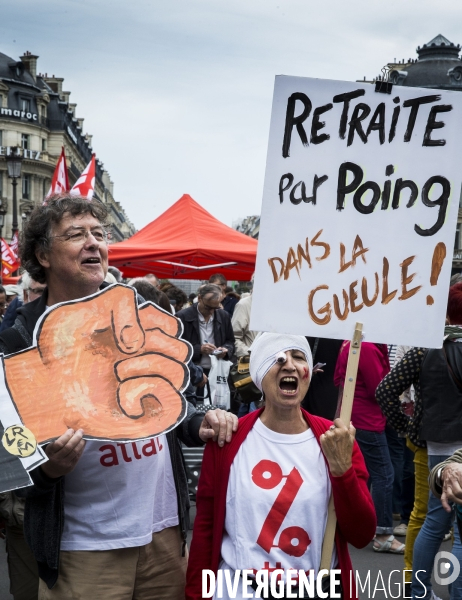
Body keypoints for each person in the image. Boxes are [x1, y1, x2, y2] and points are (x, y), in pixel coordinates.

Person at [0, 194, 237, 599]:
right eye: (76, 234)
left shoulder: (137, 314)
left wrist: (202, 419)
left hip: (162, 536)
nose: (94, 243)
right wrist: (46, 468)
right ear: (43, 254)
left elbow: (175, 397)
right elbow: (9, 451)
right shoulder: (17, 341)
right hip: (81, 549)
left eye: (99, 233)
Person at [185, 333, 376, 600]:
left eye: (299, 357)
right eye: (277, 358)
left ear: (308, 372)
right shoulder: (228, 440)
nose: (290, 366)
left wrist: (342, 470)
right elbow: (205, 527)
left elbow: (362, 534)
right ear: (259, 374)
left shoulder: (336, 441)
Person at [377, 283, 462, 600]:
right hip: (455, 452)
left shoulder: (425, 348)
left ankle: (419, 592)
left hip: (434, 449)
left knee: (430, 521)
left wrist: (408, 427)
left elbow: (385, 391)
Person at [334, 341, 403, 553]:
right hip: (367, 420)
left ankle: (362, 526)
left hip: (355, 415)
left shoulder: (352, 343)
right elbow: (379, 388)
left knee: (362, 475)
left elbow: (339, 380)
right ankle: (382, 534)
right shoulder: (368, 347)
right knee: (384, 474)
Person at [176, 283, 234, 374]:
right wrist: (199, 349)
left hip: (218, 370)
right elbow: (175, 347)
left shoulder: (223, 316)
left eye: (215, 308)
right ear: (199, 298)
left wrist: (225, 350)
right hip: (192, 371)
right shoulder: (182, 317)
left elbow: (230, 341)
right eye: (208, 307)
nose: (211, 312)